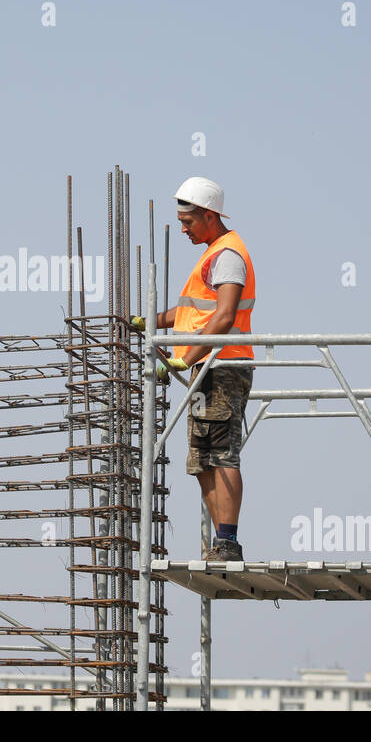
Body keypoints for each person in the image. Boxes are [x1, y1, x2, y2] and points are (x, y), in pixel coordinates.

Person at [131, 178, 255, 562]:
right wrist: (151, 321)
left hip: (222, 366)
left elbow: (223, 317)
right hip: (205, 368)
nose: (183, 229)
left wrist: (186, 358)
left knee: (222, 453)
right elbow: (192, 314)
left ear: (209, 215)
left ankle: (228, 543)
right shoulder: (211, 254)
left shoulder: (228, 254)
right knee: (202, 457)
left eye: (188, 221)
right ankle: (221, 540)